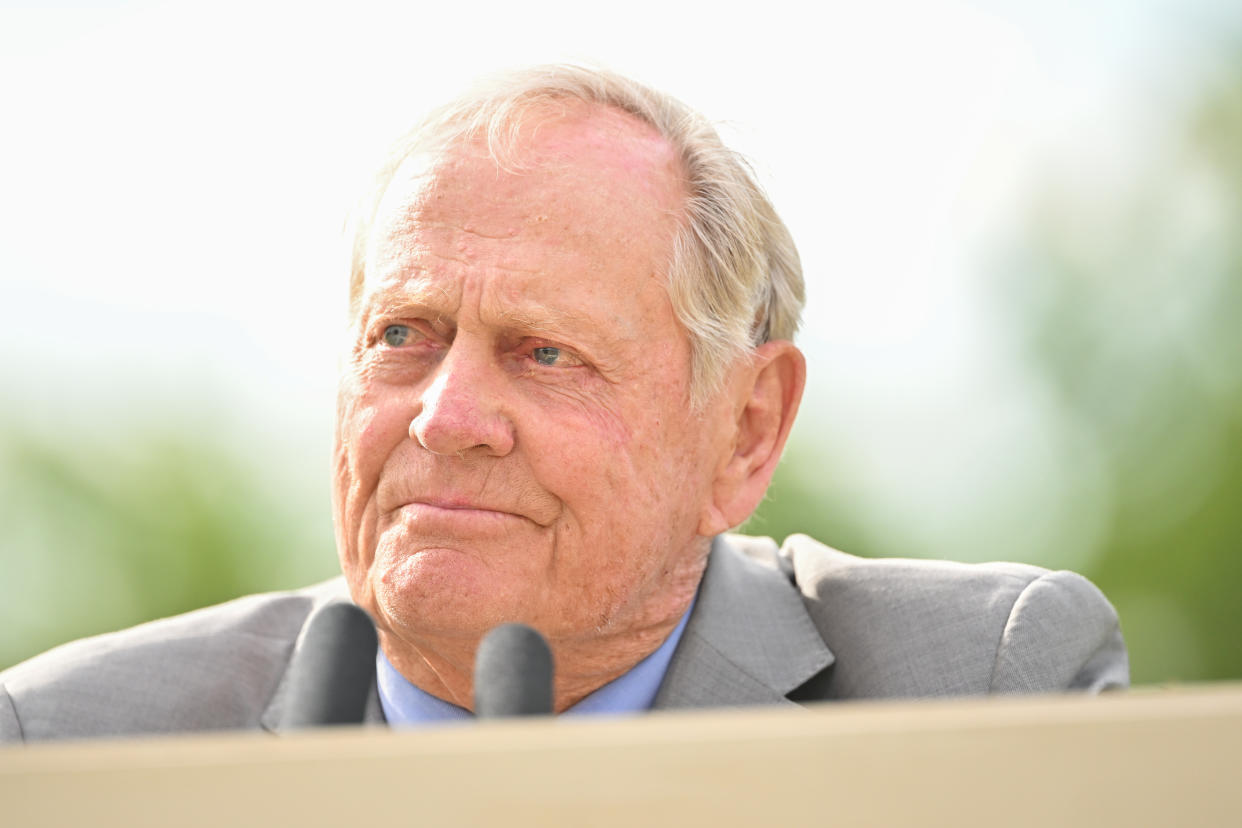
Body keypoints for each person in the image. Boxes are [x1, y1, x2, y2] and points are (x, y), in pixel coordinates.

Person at [0, 65, 1127, 742]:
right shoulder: (60, 746)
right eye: (403, 335)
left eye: (543, 354)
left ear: (744, 432)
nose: (446, 417)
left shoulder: (983, 686)